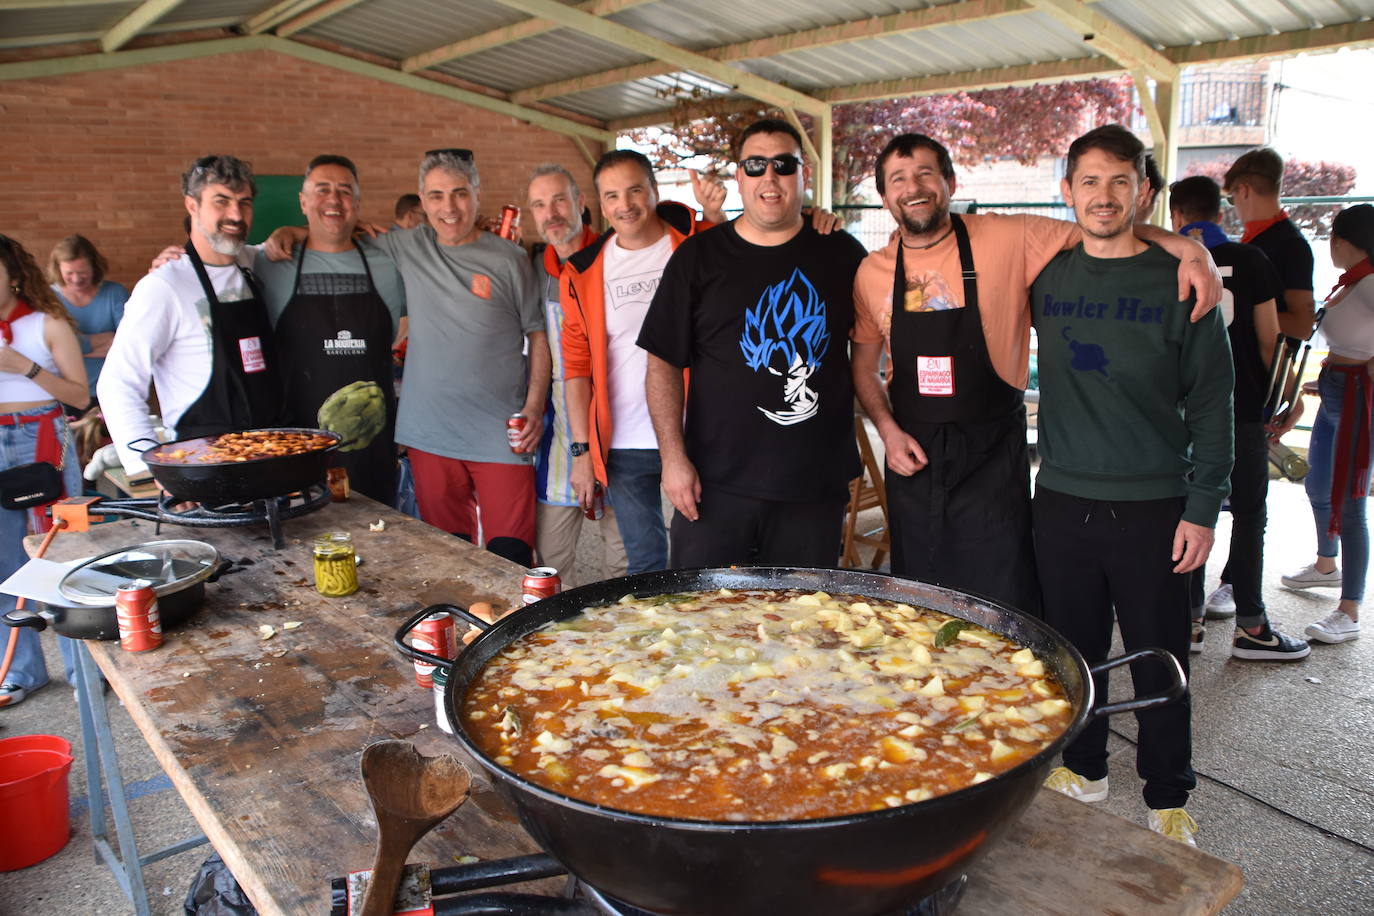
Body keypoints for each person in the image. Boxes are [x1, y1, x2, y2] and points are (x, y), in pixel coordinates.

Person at [851, 134, 1220, 614]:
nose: (913, 187)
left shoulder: (1012, 236)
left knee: (1005, 602)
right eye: (898, 179)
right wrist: (888, 430)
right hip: (913, 456)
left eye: (926, 173)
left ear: (950, 182)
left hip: (991, 457)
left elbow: (1105, 224)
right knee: (921, 601)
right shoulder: (871, 272)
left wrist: (1192, 251)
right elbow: (863, 367)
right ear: (884, 196)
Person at [1034, 125, 1234, 848]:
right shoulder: (1046, 272)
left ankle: (1168, 792)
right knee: (1075, 652)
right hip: (1060, 499)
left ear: (1144, 191)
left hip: (1155, 504)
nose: (1104, 195)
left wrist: (1204, 507)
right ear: (1067, 192)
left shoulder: (1182, 282)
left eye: (1121, 181)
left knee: (1160, 655)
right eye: (1089, 181)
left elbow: (1215, 403)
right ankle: (1085, 768)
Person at [272, 149, 549, 566]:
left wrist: (533, 406)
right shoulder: (405, 245)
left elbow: (538, 335)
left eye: (459, 194)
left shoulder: (509, 258)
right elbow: (334, 229)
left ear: (477, 194)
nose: (449, 208)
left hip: (500, 434)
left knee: (510, 555)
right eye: (436, 196)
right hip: (429, 435)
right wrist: (290, 229)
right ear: (422, 199)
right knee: (447, 553)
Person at [640, 118, 868, 567]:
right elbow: (662, 363)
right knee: (699, 620)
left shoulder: (843, 254)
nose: (770, 176)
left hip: (812, 488)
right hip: (713, 486)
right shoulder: (698, 258)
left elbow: (873, 351)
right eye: (756, 164)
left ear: (804, 176)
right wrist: (673, 459)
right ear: (739, 177)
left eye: (783, 164)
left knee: (802, 624)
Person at [561, 151, 725, 574]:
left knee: (709, 558)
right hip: (625, 443)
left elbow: (744, 274)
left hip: (699, 431)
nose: (625, 204)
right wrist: (582, 450)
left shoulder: (696, 245)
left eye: (635, 189)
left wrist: (715, 215)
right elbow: (577, 368)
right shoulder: (582, 272)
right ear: (598, 203)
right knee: (646, 565)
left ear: (654, 190)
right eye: (611, 195)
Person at [1169, 176, 1310, 661]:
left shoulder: (1166, 260)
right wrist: (1287, 398)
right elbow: (1271, 339)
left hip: (1181, 412)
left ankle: (1186, 622)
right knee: (1250, 516)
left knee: (1186, 514)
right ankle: (1251, 626)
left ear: (1176, 216)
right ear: (1222, 212)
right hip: (1244, 409)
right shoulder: (1251, 260)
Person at [100, 155, 285, 483]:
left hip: (272, 458)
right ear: (192, 205)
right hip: (202, 469)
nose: (235, 214)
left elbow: (292, 243)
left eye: (244, 202)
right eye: (221, 201)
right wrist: (150, 468)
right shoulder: (164, 285)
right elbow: (117, 383)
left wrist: (294, 229)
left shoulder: (255, 264)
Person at [247, 155, 406, 504]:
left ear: (358, 204)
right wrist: (174, 260)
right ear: (303, 202)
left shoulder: (389, 262)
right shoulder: (267, 261)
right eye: (322, 191)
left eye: (344, 191)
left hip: (373, 446)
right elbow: (214, 256)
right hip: (298, 445)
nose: (333, 200)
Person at [0, 234, 90, 708]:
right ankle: (20, 671)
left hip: (40, 438)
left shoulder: (46, 323)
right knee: (2, 565)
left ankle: (85, 673)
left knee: (59, 556)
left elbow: (79, 397)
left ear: (13, 275)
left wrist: (23, 366)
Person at [527, 162, 627, 585]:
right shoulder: (535, 269)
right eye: (539, 205)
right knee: (550, 559)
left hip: (621, 428)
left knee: (625, 560)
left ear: (581, 204)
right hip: (562, 435)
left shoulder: (615, 257)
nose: (551, 213)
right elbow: (542, 347)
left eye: (560, 200)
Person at [1279, 204, 1374, 644]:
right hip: (1336, 386)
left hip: (1358, 395)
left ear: (1341, 239)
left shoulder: (1369, 281)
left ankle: (1350, 609)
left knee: (1351, 499)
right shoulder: (1353, 281)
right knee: (1318, 485)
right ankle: (1325, 565)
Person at [1224, 148, 1316, 342]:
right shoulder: (1256, 239)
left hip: (1267, 367)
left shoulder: (1292, 246)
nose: (1235, 206)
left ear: (1243, 190)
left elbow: (1302, 326)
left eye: (1231, 198)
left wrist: (1239, 311)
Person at [47, 235, 127, 397]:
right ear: (58, 269)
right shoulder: (48, 298)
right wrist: (103, 341)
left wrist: (70, 350)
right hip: (64, 392)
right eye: (69, 273)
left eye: (82, 272)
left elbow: (127, 345)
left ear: (95, 267)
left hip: (111, 390)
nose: (76, 280)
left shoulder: (115, 293)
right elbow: (47, 349)